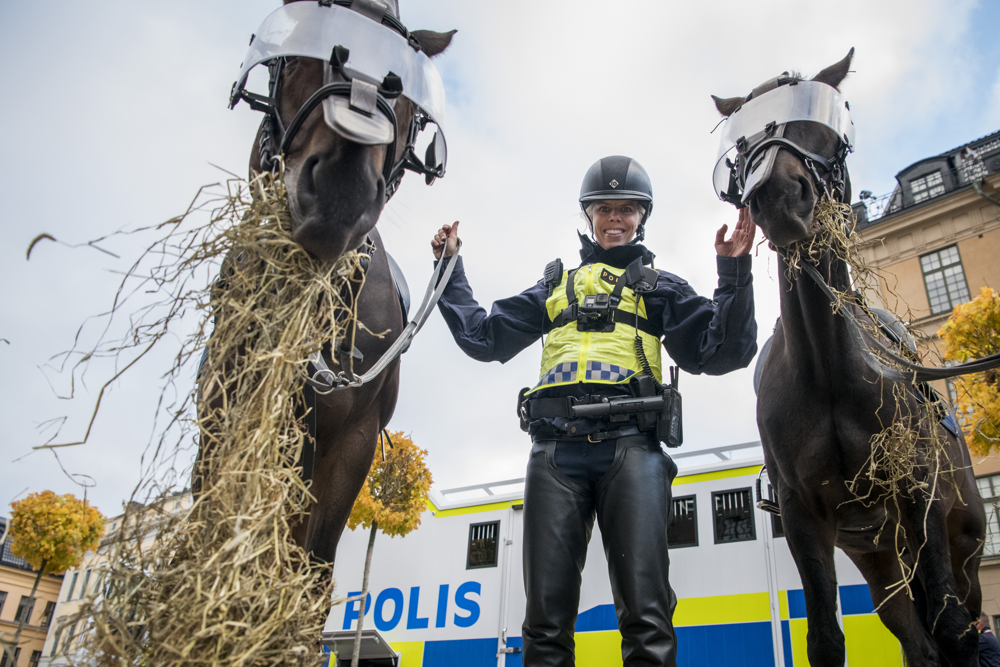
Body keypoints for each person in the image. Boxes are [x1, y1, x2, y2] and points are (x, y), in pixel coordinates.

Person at [430, 155, 757, 666]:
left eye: (626, 209)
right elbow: (484, 337)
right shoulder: (555, 287)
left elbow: (722, 353)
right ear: (589, 215)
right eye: (604, 208)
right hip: (554, 456)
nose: (615, 219)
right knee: (543, 623)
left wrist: (734, 274)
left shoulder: (662, 287)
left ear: (641, 217)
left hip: (631, 452)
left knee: (646, 615)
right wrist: (450, 268)